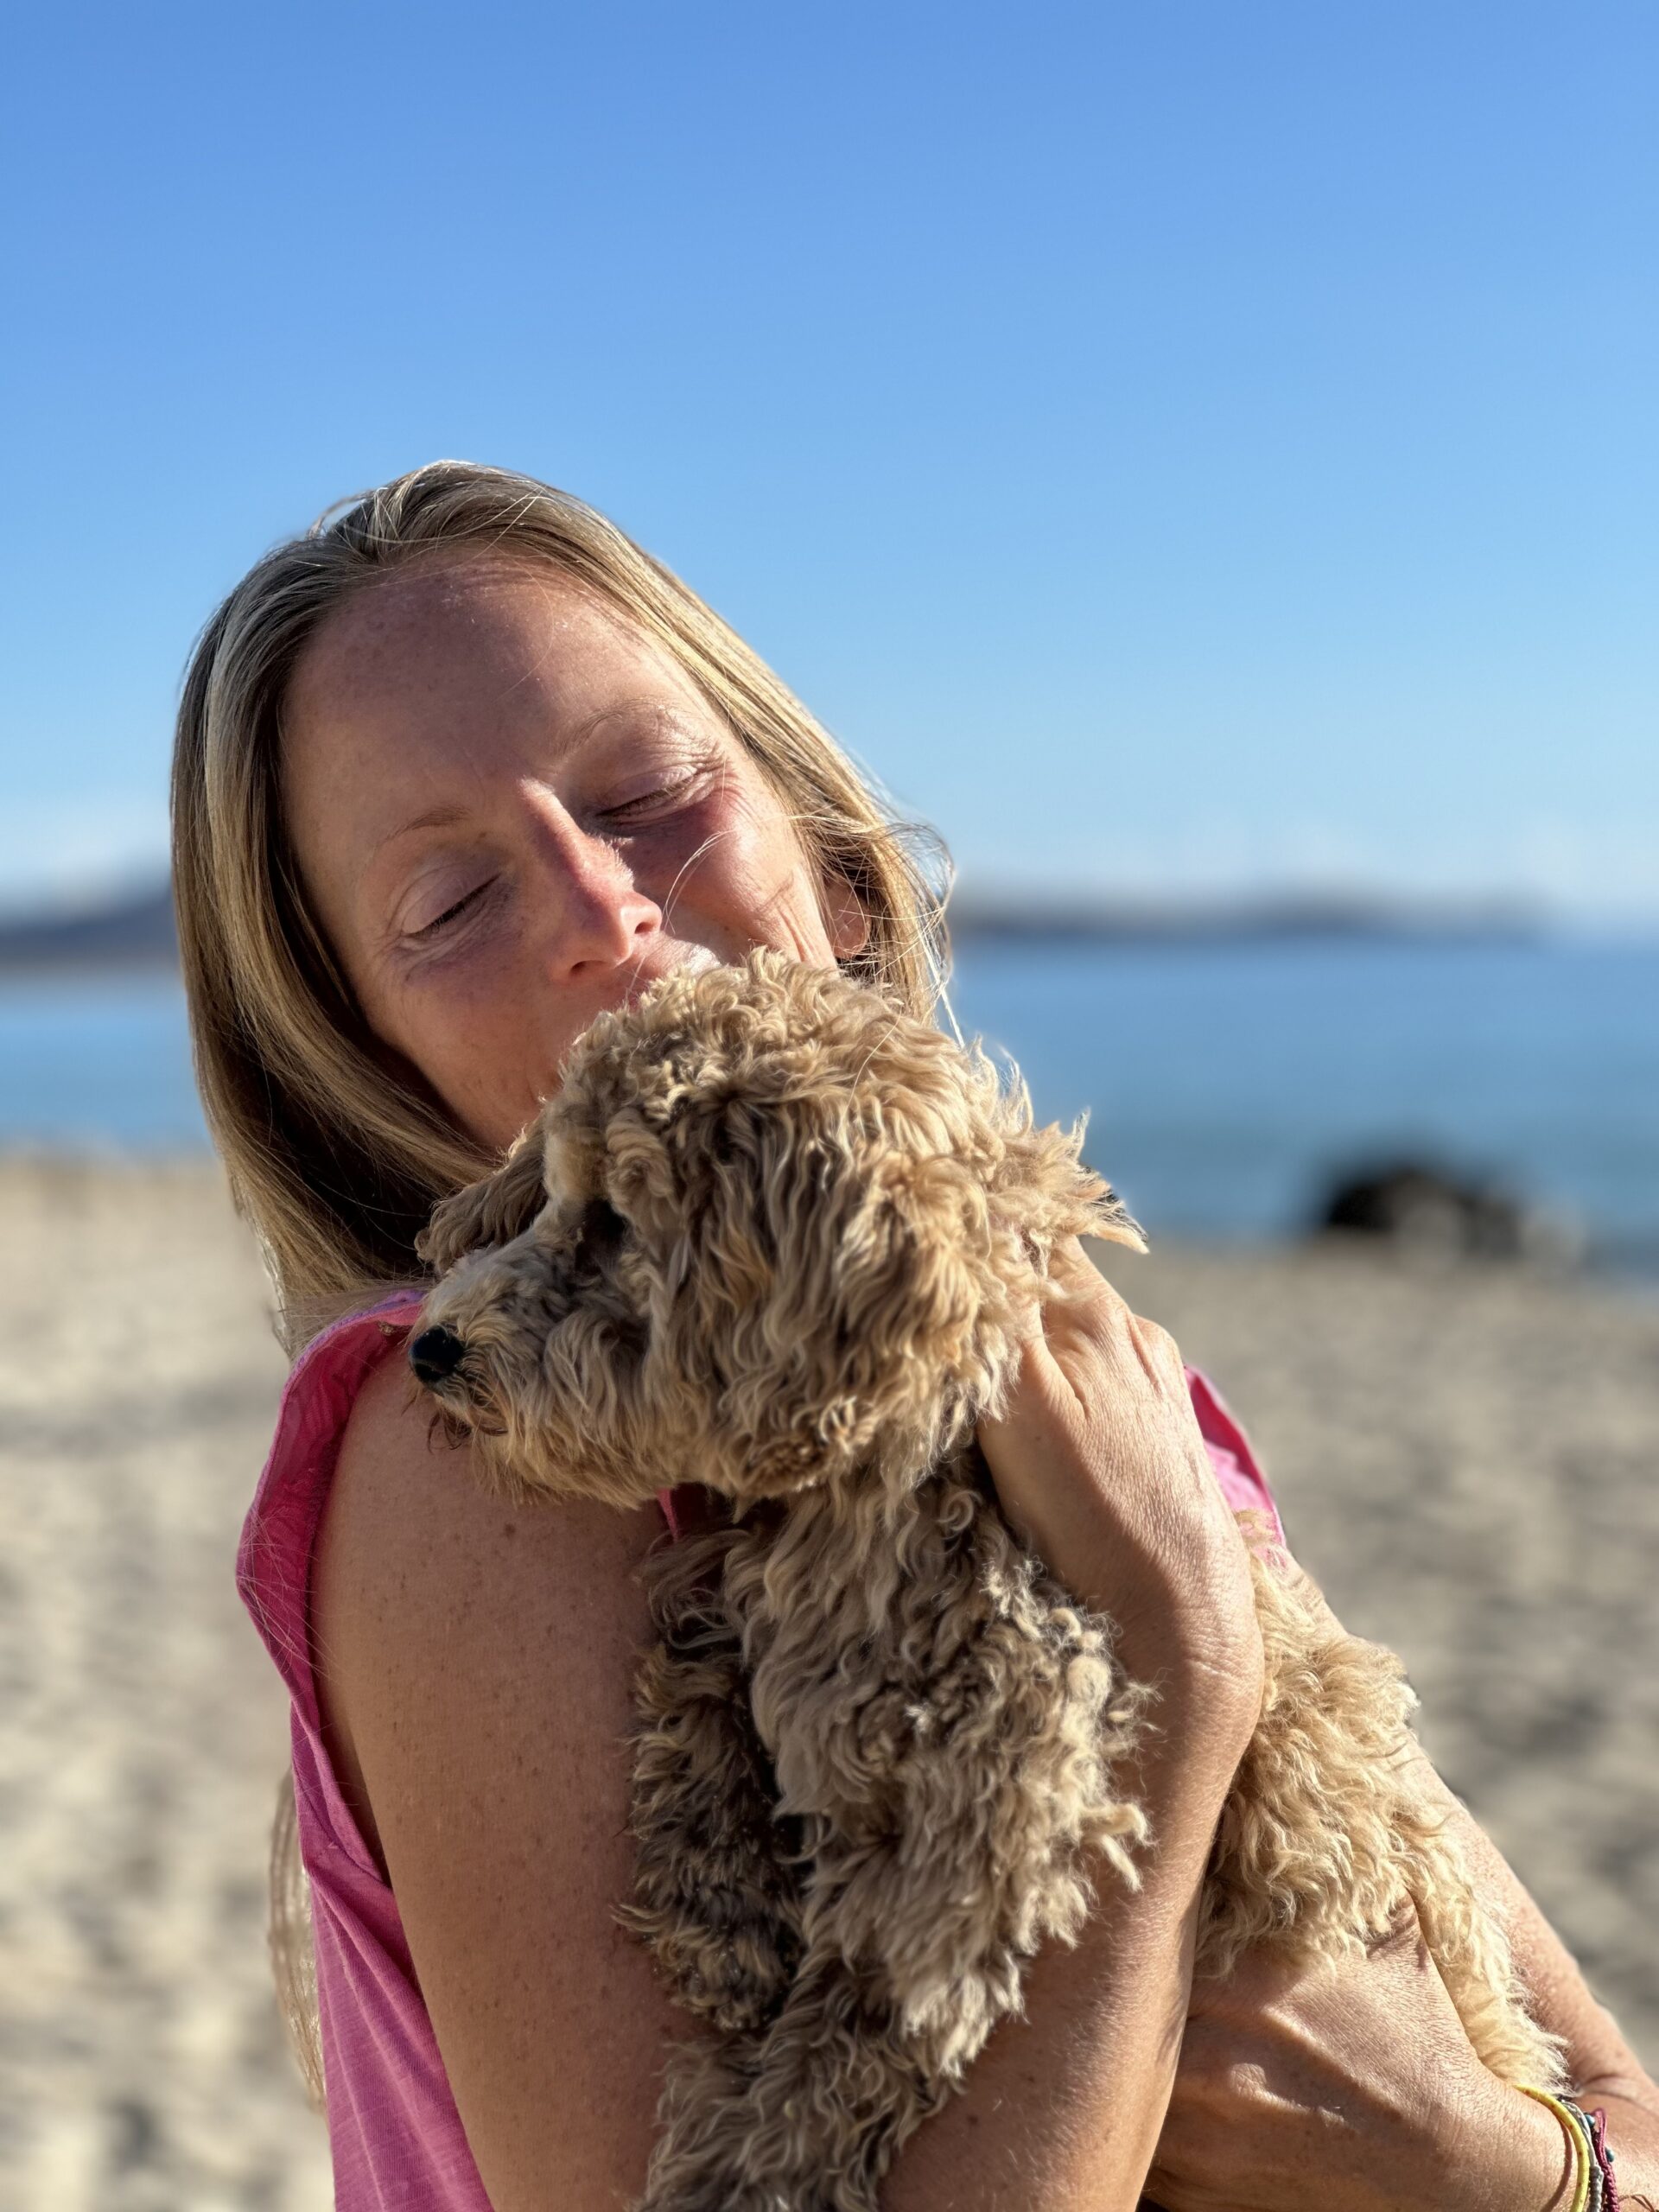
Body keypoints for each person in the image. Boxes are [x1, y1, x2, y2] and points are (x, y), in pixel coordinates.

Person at [173, 462, 1659, 2212]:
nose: (599, 909)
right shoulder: (476, 1450)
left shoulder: (1107, 1392)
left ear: (835, 870)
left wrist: (1496, 2164)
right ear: (358, 1053)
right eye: (448, 900)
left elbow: (1615, 2107)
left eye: (647, 793)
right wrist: (1171, 1668)